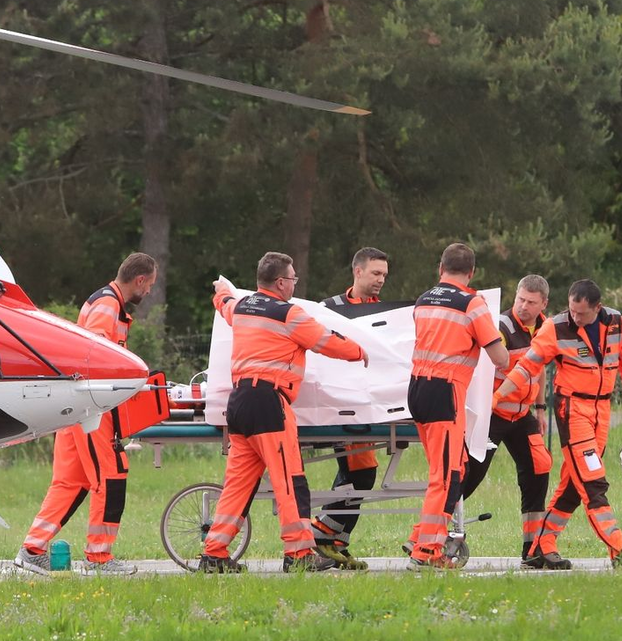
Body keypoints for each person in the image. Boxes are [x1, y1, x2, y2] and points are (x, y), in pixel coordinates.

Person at [200, 252, 369, 574]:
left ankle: (214, 553)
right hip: (268, 404)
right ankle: (298, 553)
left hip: (238, 406)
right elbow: (325, 342)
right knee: (290, 480)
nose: (294, 284)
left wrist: (221, 290)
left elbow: (223, 304)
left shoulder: (243, 308)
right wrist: (359, 351)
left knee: (238, 484)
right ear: (280, 282)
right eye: (293, 279)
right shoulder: (288, 314)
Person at [15, 252, 158, 575]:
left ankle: (32, 549)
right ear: (139, 280)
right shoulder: (108, 306)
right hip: (91, 412)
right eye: (149, 285)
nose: (148, 292)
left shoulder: (106, 302)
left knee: (70, 482)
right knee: (110, 476)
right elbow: (94, 356)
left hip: (77, 410)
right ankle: (99, 558)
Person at [495, 278, 622, 568]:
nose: (575, 318)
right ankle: (618, 544)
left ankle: (541, 544)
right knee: (592, 479)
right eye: (571, 311)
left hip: (602, 409)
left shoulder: (616, 323)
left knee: (572, 485)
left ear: (597, 308)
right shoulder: (555, 327)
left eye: (581, 314)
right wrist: (498, 396)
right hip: (572, 409)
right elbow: (527, 366)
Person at [407, 242, 509, 569]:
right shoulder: (472, 303)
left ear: (440, 268)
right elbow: (500, 358)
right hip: (445, 394)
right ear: (472, 273)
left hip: (417, 390)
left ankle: (422, 535)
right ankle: (426, 552)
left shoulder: (423, 300)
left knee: (455, 466)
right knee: (447, 476)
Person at [460, 275, 558, 568]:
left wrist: (540, 409)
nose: (523, 306)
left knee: (540, 467)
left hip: (522, 415)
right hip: (492, 411)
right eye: (520, 299)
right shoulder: (501, 326)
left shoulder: (544, 327)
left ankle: (534, 548)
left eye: (530, 302)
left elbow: (538, 368)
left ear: (543, 304)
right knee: (471, 472)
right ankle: (428, 535)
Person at [312, 247, 391, 568]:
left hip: (370, 405)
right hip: (339, 403)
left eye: (384, 275)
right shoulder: (329, 309)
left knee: (360, 472)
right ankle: (323, 533)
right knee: (359, 471)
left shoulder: (386, 311)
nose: (381, 280)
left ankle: (334, 541)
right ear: (357, 272)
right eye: (375, 273)